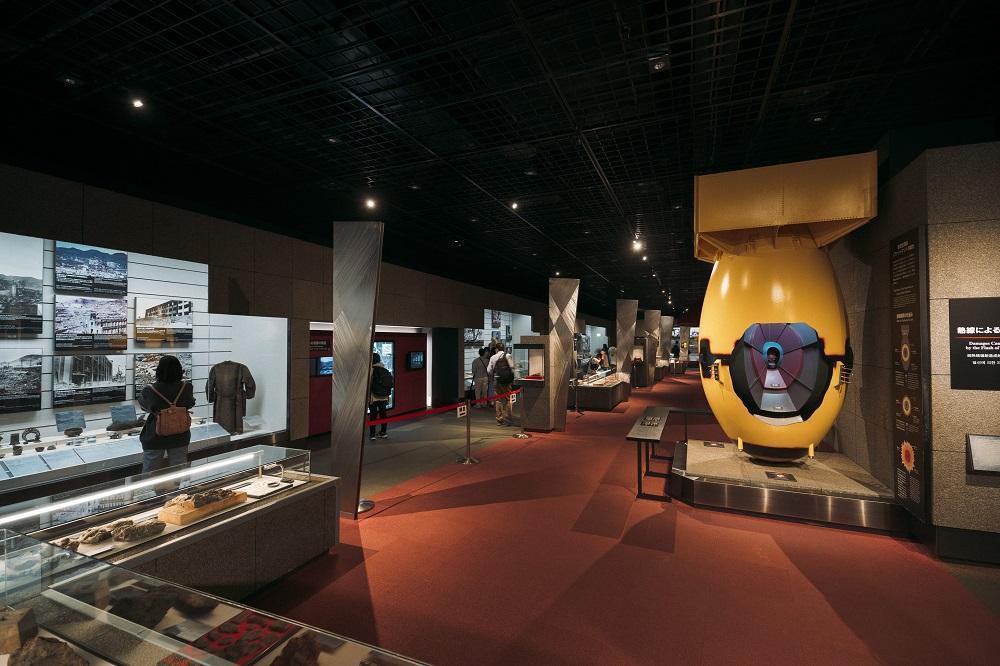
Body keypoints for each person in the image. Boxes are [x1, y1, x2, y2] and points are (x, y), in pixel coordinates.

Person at [138, 355, 196, 473]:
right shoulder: (186, 387)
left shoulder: (150, 390)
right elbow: (190, 403)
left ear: (159, 370)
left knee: (150, 472)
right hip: (180, 434)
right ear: (179, 370)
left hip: (155, 435)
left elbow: (144, 407)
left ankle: (149, 487)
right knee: (178, 471)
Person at [488, 341, 515, 425]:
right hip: (506, 381)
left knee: (498, 400)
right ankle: (508, 419)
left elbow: (489, 370)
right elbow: (512, 368)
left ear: (496, 349)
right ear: (504, 348)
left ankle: (499, 419)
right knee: (508, 399)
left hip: (497, 380)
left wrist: (495, 374)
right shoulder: (508, 355)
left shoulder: (493, 357)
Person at [369, 352, 392, 440]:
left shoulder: (371, 370)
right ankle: (383, 432)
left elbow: (368, 384)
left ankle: (372, 434)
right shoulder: (384, 369)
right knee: (383, 414)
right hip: (384, 396)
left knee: (373, 415)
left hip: (373, 397)